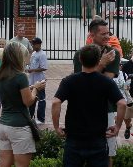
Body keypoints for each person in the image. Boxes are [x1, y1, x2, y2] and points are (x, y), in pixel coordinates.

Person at [52, 43, 127, 167]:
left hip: (74, 138)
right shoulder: (106, 82)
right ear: (99, 60)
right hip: (97, 138)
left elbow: (55, 102)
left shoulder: (69, 81)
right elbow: (122, 103)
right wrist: (117, 126)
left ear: (80, 59)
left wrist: (56, 126)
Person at [74, 18, 122, 164]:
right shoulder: (80, 54)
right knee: (81, 150)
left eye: (109, 33)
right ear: (92, 35)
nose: (108, 37)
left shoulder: (112, 53)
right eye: (103, 34)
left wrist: (97, 68)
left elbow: (105, 83)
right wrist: (101, 64)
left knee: (109, 151)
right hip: (83, 109)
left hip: (105, 108)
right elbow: (80, 81)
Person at [0, 41, 44, 167]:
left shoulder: (0, 75)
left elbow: (11, 93)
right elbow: (28, 101)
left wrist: (29, 88)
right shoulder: (21, 76)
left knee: (4, 164)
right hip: (19, 126)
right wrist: (36, 89)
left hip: (3, 125)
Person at [26, 38, 49, 125]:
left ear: (39, 44)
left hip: (39, 80)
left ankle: (41, 118)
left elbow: (44, 67)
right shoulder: (34, 53)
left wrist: (33, 70)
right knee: (32, 98)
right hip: (32, 80)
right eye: (32, 44)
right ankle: (30, 116)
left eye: (34, 44)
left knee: (41, 99)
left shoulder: (42, 54)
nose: (33, 46)